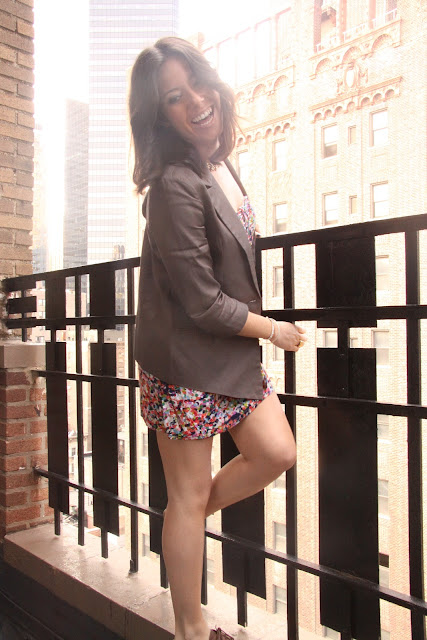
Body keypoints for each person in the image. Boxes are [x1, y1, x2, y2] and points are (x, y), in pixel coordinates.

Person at [129, 36, 307, 640]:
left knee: (276, 452)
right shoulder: (172, 186)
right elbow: (202, 300)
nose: (195, 102)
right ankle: (192, 630)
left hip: (227, 353)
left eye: (196, 84)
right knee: (186, 494)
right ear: (160, 117)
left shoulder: (219, 165)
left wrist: (189, 511)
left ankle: (183, 518)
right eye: (174, 98)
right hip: (184, 362)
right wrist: (274, 330)